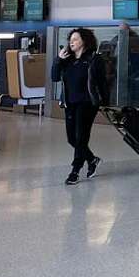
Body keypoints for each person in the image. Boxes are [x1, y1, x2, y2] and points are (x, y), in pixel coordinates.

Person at [51, 27, 110, 186]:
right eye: (70, 39)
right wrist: (58, 60)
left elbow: (102, 83)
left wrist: (105, 102)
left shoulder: (94, 59)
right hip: (70, 102)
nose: (72, 42)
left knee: (81, 137)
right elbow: (54, 77)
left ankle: (75, 170)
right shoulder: (67, 60)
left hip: (87, 103)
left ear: (85, 41)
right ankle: (92, 160)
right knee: (72, 138)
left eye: (76, 39)